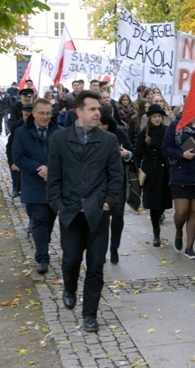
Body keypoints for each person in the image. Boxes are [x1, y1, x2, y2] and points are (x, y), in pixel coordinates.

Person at [47, 90, 123, 333]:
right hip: (70, 211)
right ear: (78, 112)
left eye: (98, 109)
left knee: (95, 265)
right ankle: (69, 288)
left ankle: (90, 314)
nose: (97, 113)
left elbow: (116, 175)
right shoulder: (59, 139)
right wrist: (57, 204)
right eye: (92, 109)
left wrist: (109, 202)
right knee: (70, 260)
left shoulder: (108, 140)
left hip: (97, 213)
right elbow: (54, 177)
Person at [13, 98, 62, 274]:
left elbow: (66, 157)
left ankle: (42, 245)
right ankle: (42, 257)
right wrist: (37, 168)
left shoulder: (59, 132)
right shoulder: (21, 133)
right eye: (41, 113)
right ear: (33, 113)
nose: (45, 117)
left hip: (54, 186)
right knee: (39, 220)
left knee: (49, 222)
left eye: (48, 113)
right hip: (33, 185)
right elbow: (18, 157)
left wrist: (51, 169)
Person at [162, 114, 195, 259]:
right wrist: (181, 154)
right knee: (182, 211)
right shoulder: (176, 126)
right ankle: (178, 231)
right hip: (180, 173)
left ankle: (190, 247)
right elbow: (166, 148)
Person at [99, 107, 133, 265]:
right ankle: (102, 249)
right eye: (99, 124)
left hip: (117, 180)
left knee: (118, 215)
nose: (102, 127)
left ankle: (114, 247)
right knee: (102, 218)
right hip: (99, 182)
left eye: (104, 124)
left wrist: (127, 155)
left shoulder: (118, 132)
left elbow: (131, 151)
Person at [134, 104, 172, 247]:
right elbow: (138, 153)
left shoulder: (167, 131)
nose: (157, 119)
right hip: (151, 171)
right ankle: (156, 233)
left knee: (164, 201)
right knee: (154, 204)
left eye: (159, 117)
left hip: (165, 170)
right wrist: (140, 170)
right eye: (154, 116)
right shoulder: (144, 133)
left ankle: (160, 215)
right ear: (149, 118)